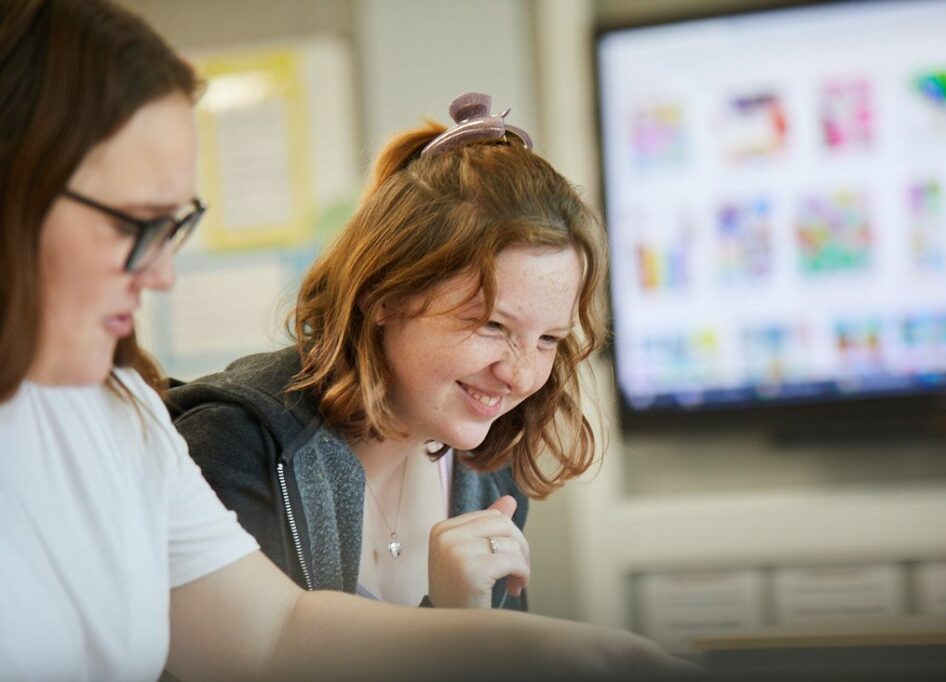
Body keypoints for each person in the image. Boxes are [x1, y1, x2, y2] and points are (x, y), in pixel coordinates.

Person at [0, 0, 686, 680]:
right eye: (135, 223)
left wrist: (568, 651)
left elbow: (271, 636)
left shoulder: (118, 413)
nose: (162, 273)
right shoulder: (237, 437)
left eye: (174, 226)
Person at [166, 91, 605, 612]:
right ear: (384, 297)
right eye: (491, 325)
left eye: (549, 339)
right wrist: (452, 626)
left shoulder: (489, 469)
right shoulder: (233, 446)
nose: (520, 374)